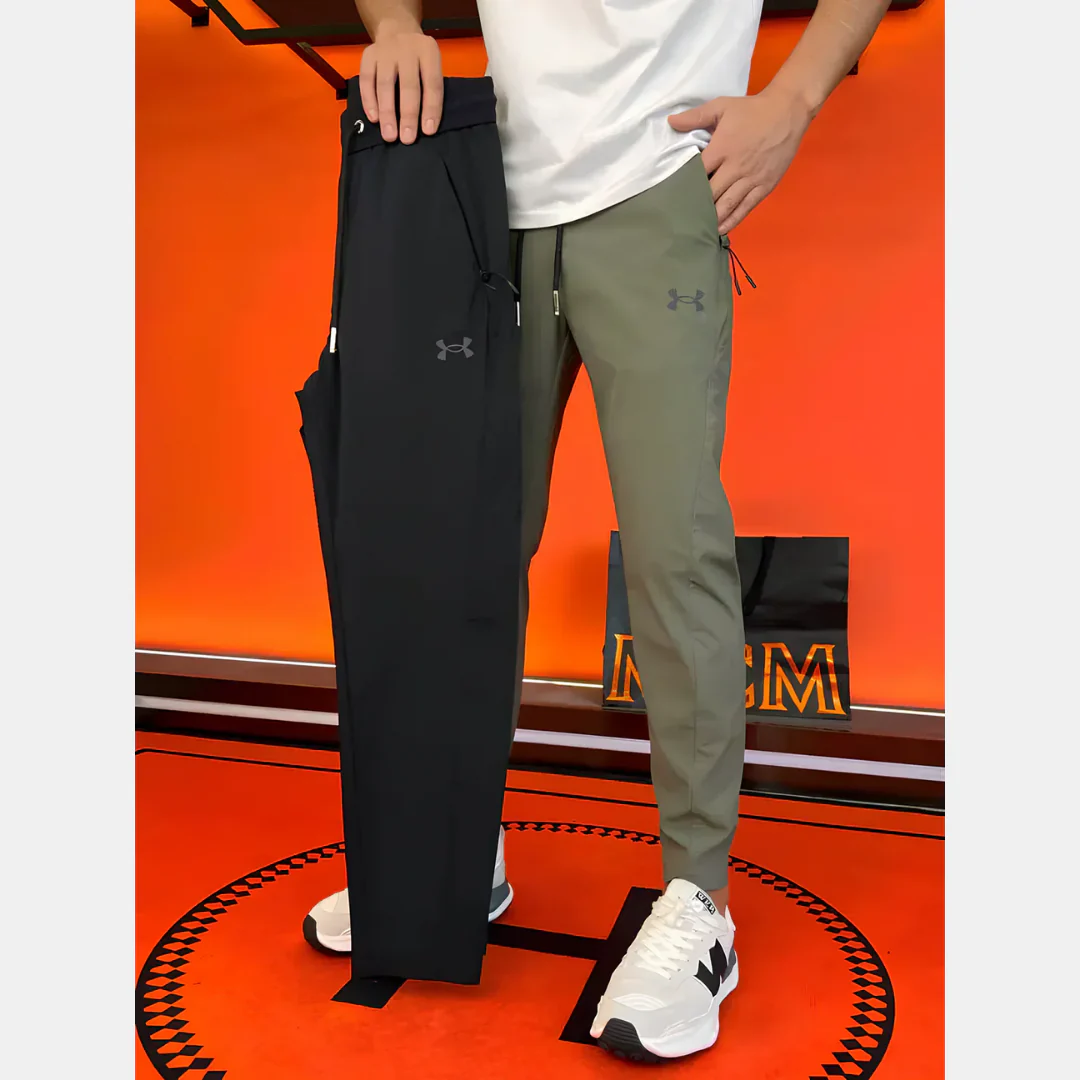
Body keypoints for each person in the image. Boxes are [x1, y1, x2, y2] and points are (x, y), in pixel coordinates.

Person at [305, 0, 892, 1062]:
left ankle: (699, 900)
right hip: (489, 189)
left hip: (656, 185)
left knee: (675, 551)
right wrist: (391, 24)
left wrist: (795, 99)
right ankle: (451, 857)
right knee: (461, 547)